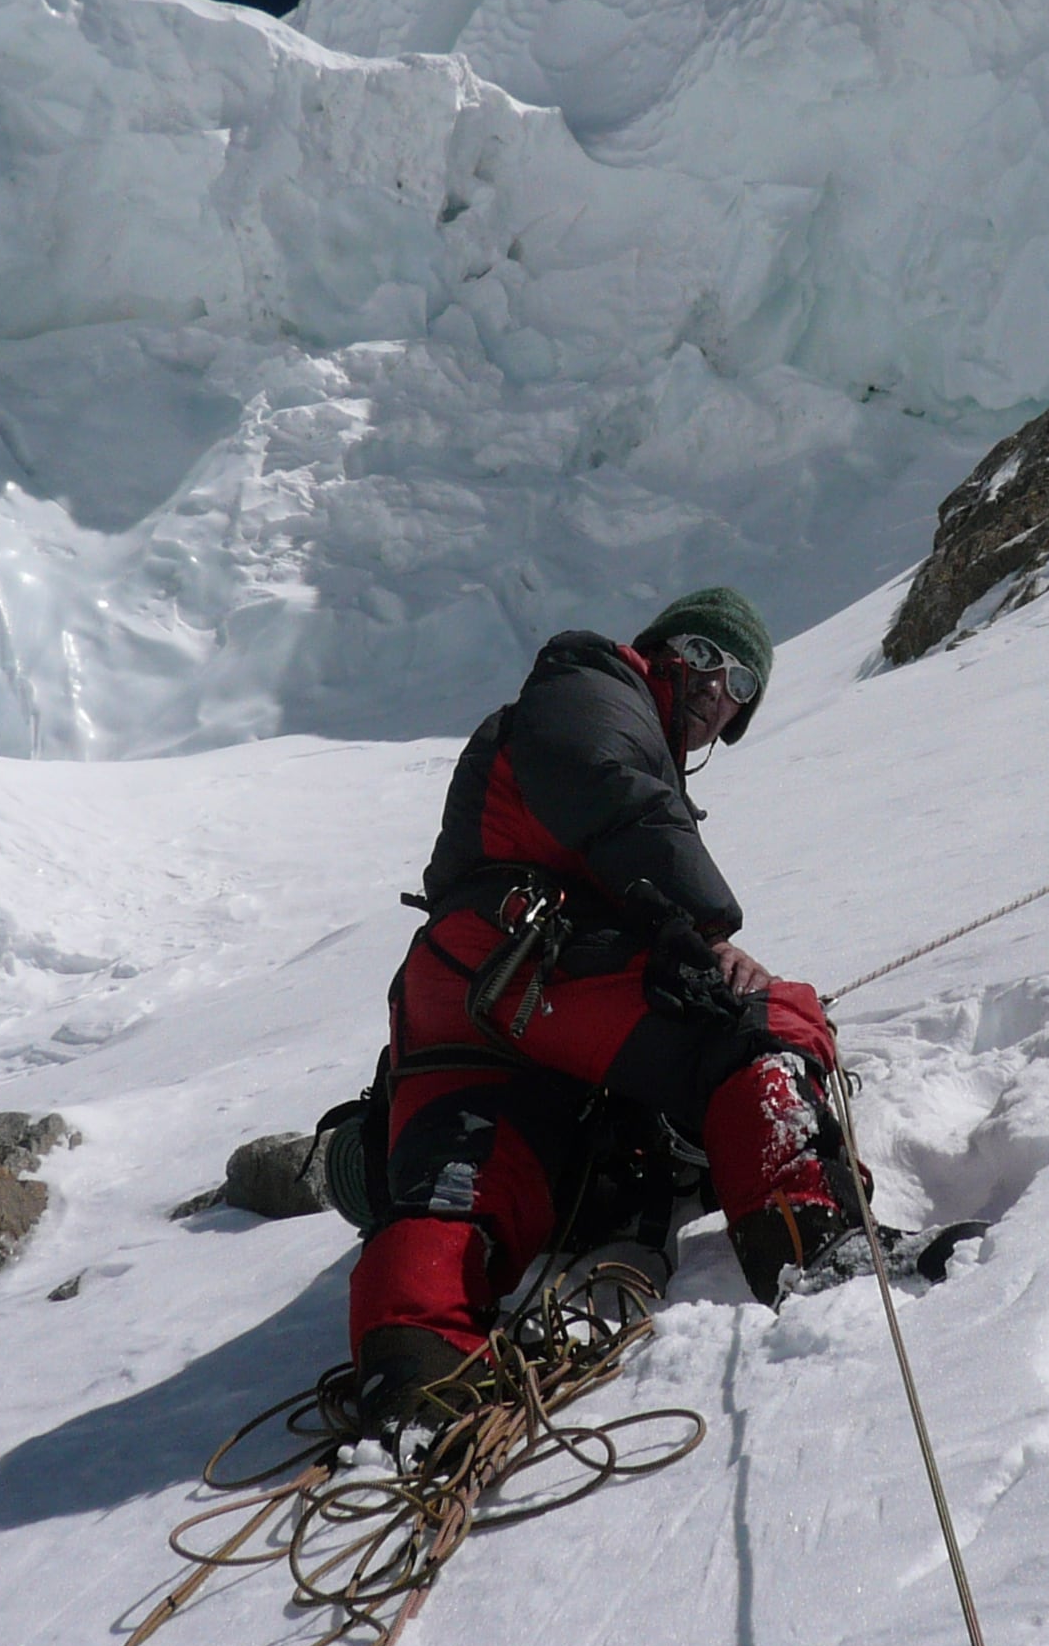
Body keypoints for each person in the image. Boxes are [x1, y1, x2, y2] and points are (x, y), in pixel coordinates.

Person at [347, 586, 881, 1426]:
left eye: (741, 682)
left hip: (452, 994)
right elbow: (604, 781)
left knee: (476, 1175)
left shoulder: (594, 720)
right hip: (531, 960)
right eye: (704, 656)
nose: (716, 687)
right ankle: (816, 1243)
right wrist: (704, 930)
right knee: (765, 1022)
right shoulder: (592, 680)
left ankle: (413, 1366)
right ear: (660, 650)